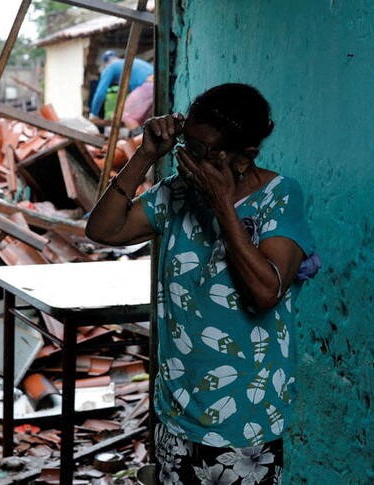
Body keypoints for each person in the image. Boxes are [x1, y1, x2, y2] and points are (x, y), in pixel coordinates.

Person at [86, 83, 320, 484]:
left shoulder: (280, 198)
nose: (186, 159)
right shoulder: (177, 194)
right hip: (177, 411)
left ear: (245, 155)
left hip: (246, 418)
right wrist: (145, 154)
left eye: (202, 150)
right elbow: (104, 229)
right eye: (185, 144)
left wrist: (222, 205)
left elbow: (266, 291)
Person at [89, 50, 153, 125]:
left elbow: (100, 93)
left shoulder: (110, 67)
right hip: (158, 87)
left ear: (105, 64)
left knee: (128, 118)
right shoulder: (129, 62)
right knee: (145, 119)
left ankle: (137, 135)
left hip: (146, 87)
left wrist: (93, 114)